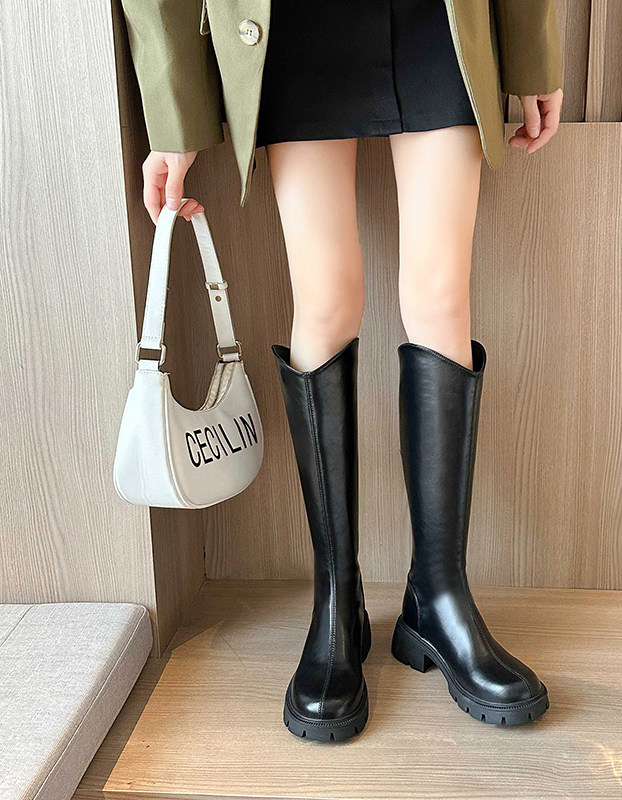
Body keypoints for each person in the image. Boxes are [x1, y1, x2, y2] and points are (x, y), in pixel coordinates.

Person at [121, 0, 564, 742]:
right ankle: (338, 604)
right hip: (293, 21)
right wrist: (174, 110)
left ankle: (439, 601)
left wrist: (530, 50)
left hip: (438, 19)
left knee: (441, 299)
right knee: (324, 304)